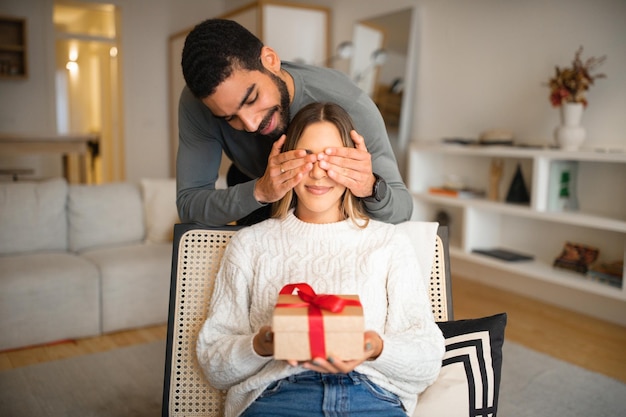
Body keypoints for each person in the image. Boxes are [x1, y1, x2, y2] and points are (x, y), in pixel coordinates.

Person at [196, 102, 444, 417]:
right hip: (279, 396)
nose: (317, 171)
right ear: (283, 159)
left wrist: (373, 347)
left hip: (370, 397)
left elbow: (428, 361)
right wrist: (263, 344)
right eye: (306, 156)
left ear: (354, 162)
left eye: (332, 158)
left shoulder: (389, 244)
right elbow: (214, 366)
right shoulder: (250, 244)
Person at [177, 18, 413, 226]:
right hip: (251, 187)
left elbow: (402, 210)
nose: (250, 125)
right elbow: (190, 205)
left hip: (328, 209)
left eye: (251, 99)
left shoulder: (351, 105)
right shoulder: (198, 104)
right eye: (229, 117)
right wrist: (260, 191)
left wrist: (370, 187)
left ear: (270, 60)